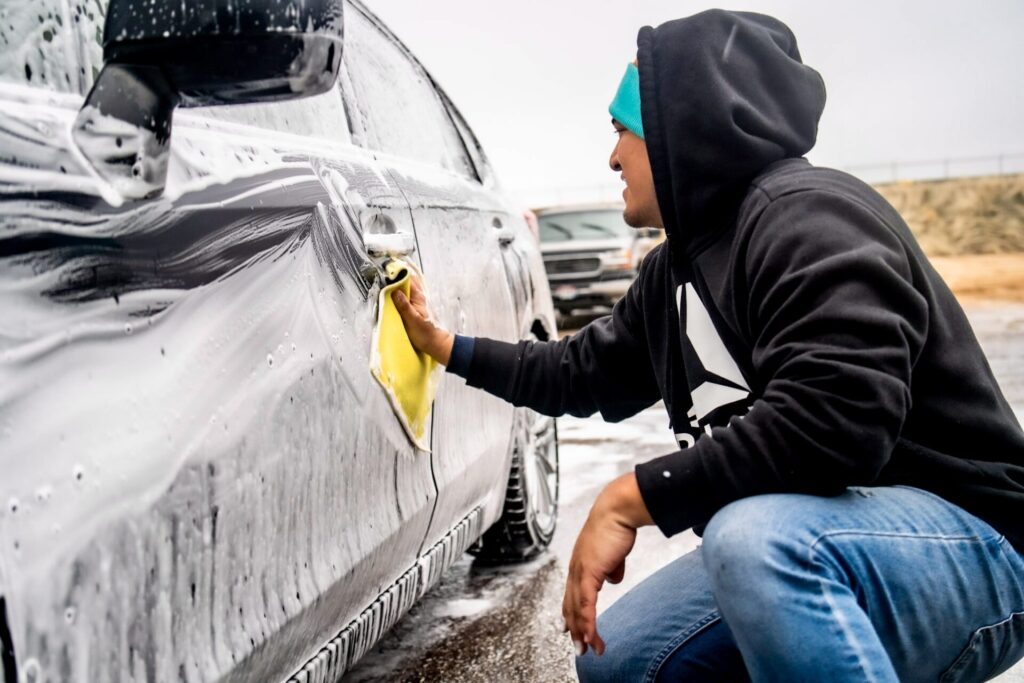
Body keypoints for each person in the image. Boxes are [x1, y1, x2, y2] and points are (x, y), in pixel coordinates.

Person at [392, 9, 1024, 681]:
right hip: (839, 542)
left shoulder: (806, 214)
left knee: (753, 539)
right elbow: (577, 373)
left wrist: (632, 496)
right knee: (623, 661)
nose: (612, 157)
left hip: (978, 543)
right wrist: (443, 345)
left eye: (622, 130)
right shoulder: (674, 272)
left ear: (678, 128)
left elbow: (837, 422)